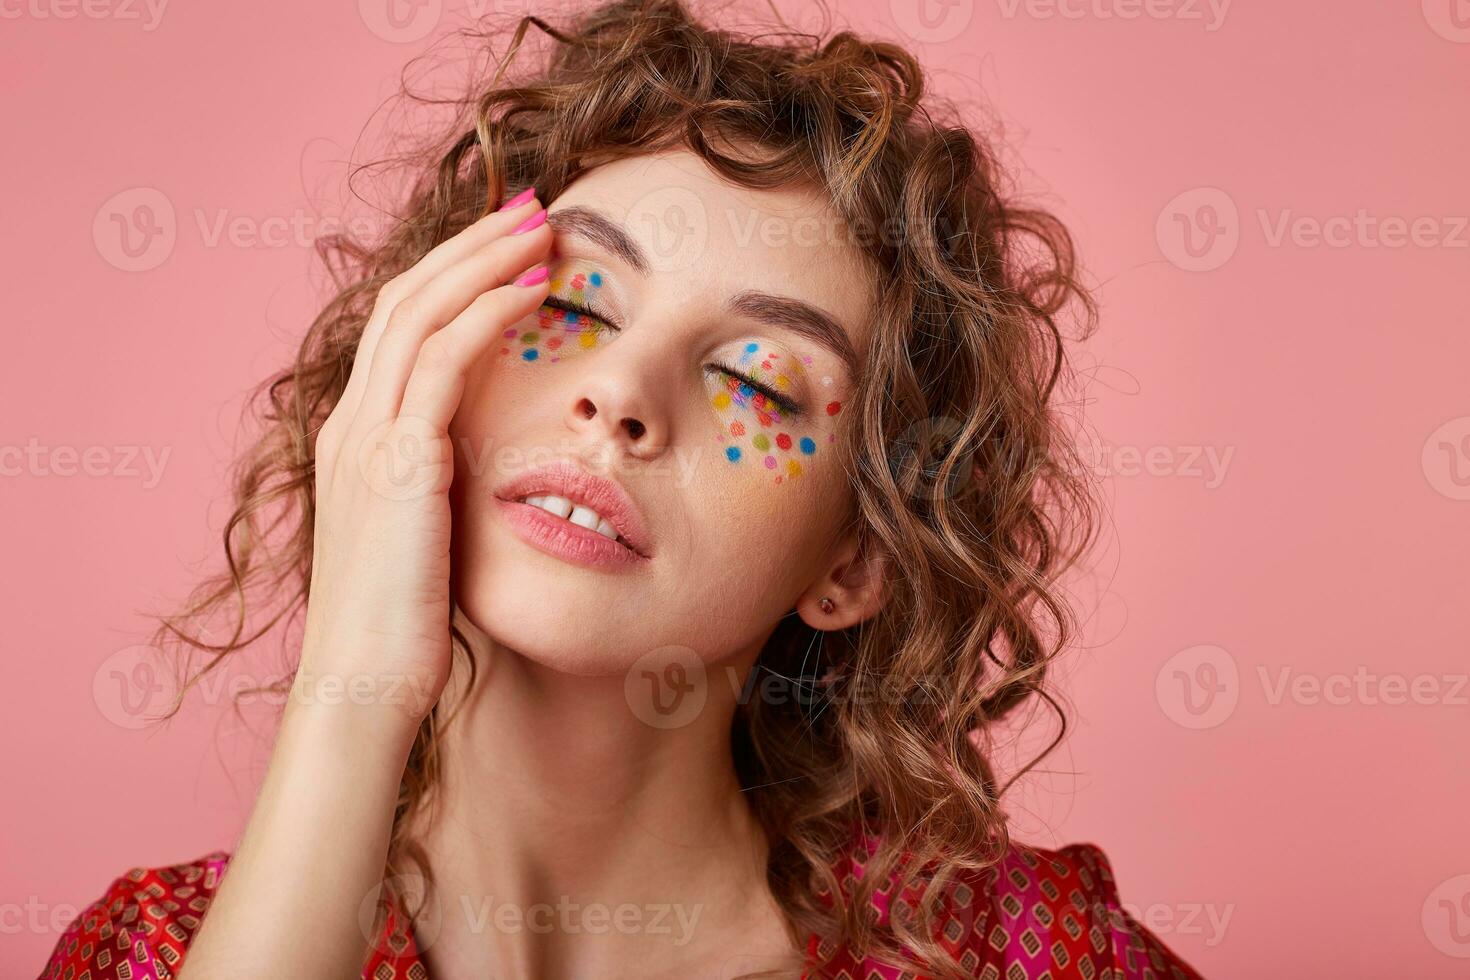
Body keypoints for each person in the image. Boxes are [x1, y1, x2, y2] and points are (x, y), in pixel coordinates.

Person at [39, 1, 1203, 977]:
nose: (622, 394)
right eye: (578, 305)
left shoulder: (1028, 953)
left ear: (854, 561)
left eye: (754, 376)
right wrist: (351, 691)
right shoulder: (161, 949)